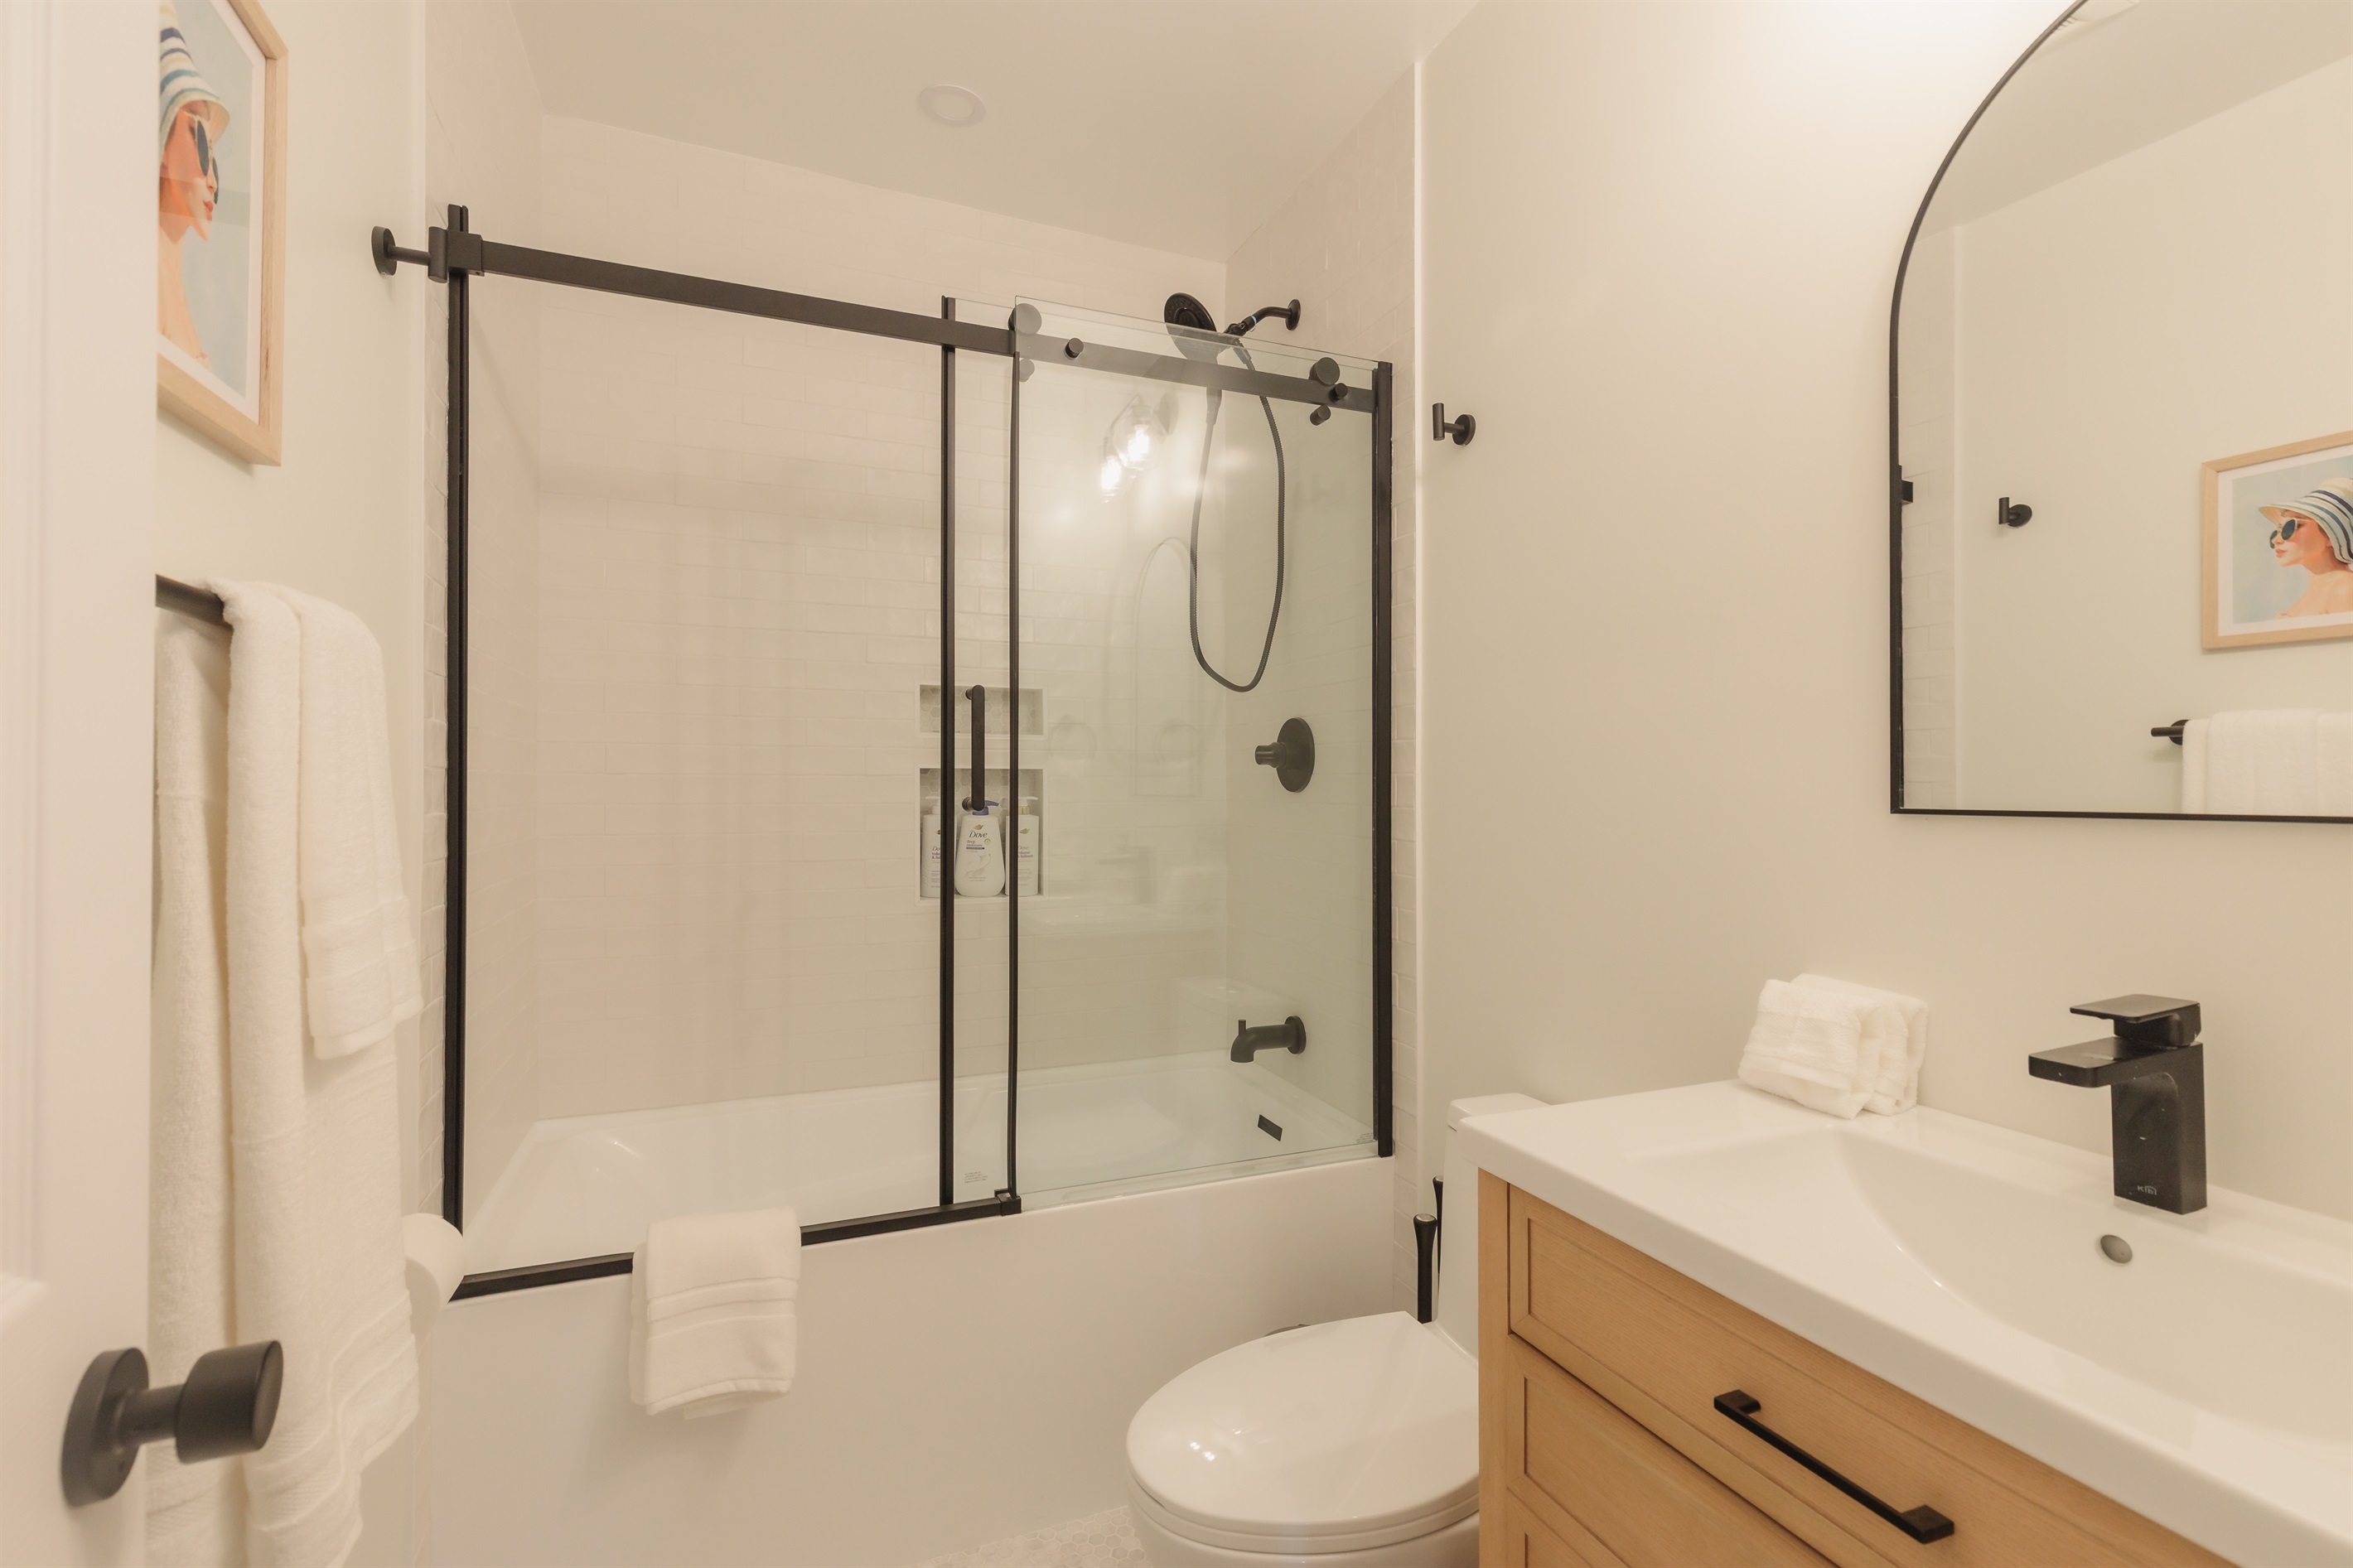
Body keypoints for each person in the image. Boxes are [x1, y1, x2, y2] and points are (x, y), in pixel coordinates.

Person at [158, 1, 230, 365]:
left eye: (212, 154)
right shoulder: (146, 277)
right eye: (201, 142)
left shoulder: (174, 286)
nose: (213, 182)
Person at [2261, 475, 2353, 620]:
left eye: (2290, 527)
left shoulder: (2344, 589)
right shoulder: (2315, 593)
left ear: (2331, 535)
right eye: (2278, 530)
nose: (2277, 540)